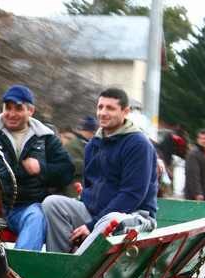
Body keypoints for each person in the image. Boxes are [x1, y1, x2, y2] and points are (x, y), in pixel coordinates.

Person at [43, 87, 159, 253]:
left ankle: (78, 269)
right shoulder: (93, 144)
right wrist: (84, 202)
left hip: (134, 216)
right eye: (100, 107)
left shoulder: (138, 144)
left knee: (111, 220)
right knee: (52, 203)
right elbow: (89, 184)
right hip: (96, 215)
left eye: (110, 108)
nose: (103, 113)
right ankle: (59, 262)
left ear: (125, 112)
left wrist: (90, 225)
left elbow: (132, 195)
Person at [0, 85, 74, 251]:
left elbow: (67, 171)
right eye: (7, 108)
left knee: (36, 217)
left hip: (28, 207)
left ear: (30, 111)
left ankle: (19, 272)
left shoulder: (46, 138)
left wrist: (41, 169)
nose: (11, 114)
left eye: (18, 108)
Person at [61, 115, 97, 197]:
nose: (93, 134)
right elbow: (69, 165)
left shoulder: (87, 144)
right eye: (92, 132)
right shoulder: (73, 145)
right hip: (73, 188)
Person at [184, 129, 205, 201]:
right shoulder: (194, 154)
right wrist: (197, 193)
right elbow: (193, 175)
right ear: (198, 140)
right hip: (195, 195)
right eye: (202, 139)